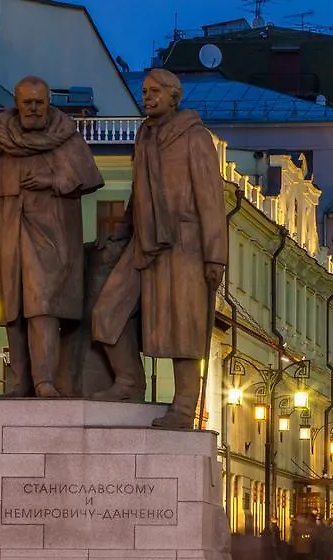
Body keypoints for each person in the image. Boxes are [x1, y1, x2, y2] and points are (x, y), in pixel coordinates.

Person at [92, 68, 228, 428]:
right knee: (107, 312)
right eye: (145, 91)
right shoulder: (145, 135)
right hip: (144, 242)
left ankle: (184, 408)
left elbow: (211, 198)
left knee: (183, 327)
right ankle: (128, 381)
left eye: (155, 91)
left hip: (185, 244)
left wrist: (215, 255)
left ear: (174, 96)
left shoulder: (193, 137)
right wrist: (121, 232)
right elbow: (138, 193)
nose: (147, 97)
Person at [0, 75, 104, 397]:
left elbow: (86, 177)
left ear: (49, 102)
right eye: (27, 103)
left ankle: (44, 380)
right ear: (17, 104)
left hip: (52, 235)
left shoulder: (66, 137)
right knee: (13, 308)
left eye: (39, 102)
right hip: (9, 230)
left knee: (42, 305)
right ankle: (21, 381)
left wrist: (53, 179)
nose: (33, 109)